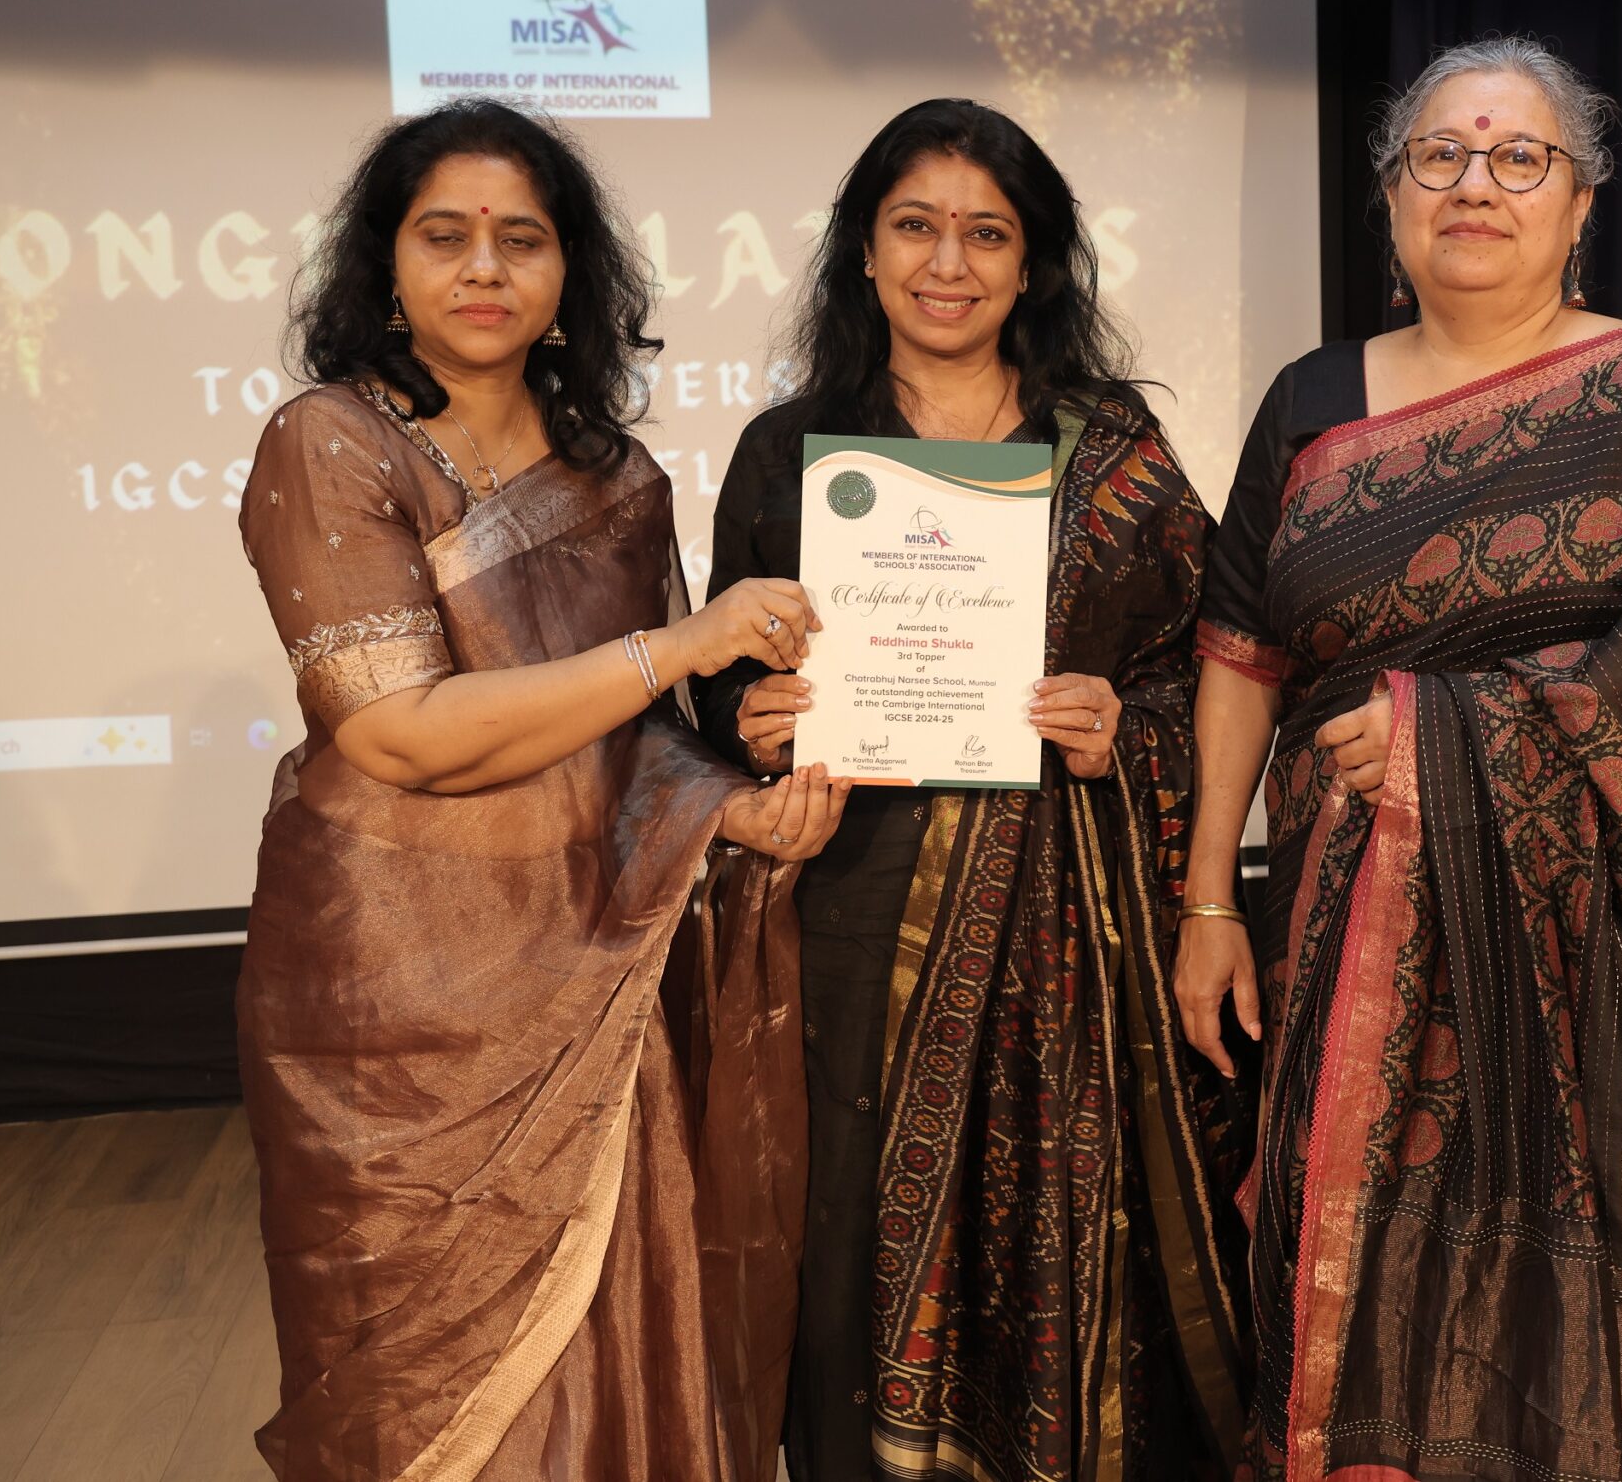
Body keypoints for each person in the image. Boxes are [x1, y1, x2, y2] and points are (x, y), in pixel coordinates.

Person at [1182, 36, 1622, 1482]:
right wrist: (1211, 897)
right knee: (1347, 1290)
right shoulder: (1312, 399)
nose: (1475, 185)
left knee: (1578, 1330)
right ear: (1390, 195)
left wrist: (1451, 735)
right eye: (1440, 156)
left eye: (1519, 157)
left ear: (1581, 202)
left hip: (1606, 959)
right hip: (1343, 941)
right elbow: (1240, 650)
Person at [238, 99, 840, 1480]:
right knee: (426, 1393)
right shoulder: (332, 442)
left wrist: (732, 807)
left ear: (571, 273)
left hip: (598, 965)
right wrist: (678, 647)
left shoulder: (616, 477)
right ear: (385, 265)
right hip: (395, 998)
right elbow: (400, 734)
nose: (483, 267)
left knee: (620, 1346)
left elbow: (636, 740)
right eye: (443, 236)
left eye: (522, 238)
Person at [696, 98, 1252, 1482]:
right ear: (862, 251)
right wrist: (749, 720)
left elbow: (1218, 666)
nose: (948, 263)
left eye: (986, 233)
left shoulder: (1113, 444)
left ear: (1033, 263)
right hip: (855, 917)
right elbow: (718, 679)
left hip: (1087, 950)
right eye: (915, 227)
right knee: (855, 1240)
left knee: (1086, 1248)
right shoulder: (789, 450)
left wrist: (1125, 724)